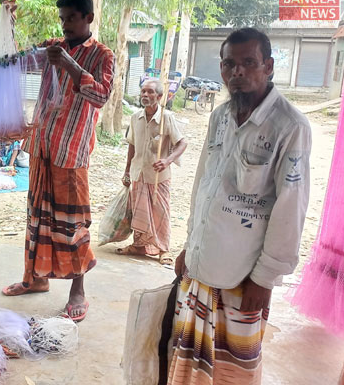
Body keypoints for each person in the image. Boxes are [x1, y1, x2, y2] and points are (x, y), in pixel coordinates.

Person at [170, 28, 311, 384]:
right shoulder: (219, 118)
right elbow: (204, 184)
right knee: (189, 362)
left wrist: (264, 279)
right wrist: (190, 245)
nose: (238, 73)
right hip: (203, 263)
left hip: (244, 275)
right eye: (230, 64)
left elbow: (290, 208)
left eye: (249, 63)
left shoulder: (290, 126)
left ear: (269, 67)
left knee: (233, 372)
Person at [1, 0, 115, 322]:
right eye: (62, 18)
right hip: (42, 146)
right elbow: (19, 61)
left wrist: (68, 63)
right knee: (37, 216)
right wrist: (7, 22)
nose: (64, 25)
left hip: (71, 152)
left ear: (88, 18)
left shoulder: (102, 56)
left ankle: (77, 290)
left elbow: (101, 95)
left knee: (72, 224)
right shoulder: (54, 46)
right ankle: (34, 279)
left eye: (71, 18)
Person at [117, 79, 187, 265]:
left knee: (160, 213)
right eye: (143, 92)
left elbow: (182, 142)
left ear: (159, 96)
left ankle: (163, 249)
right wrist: (126, 171)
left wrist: (167, 160)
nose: (145, 95)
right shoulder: (135, 118)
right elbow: (131, 145)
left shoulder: (166, 118)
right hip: (138, 173)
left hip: (158, 176)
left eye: (150, 92)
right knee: (139, 212)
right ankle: (139, 246)